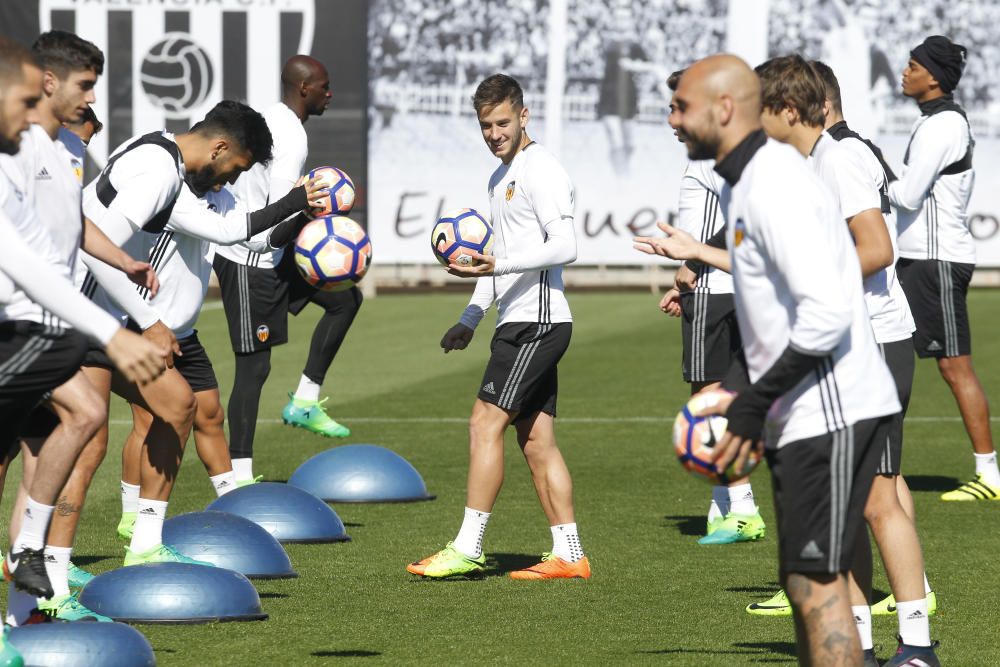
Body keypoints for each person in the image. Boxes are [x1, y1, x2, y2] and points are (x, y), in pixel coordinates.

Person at [638, 54, 900, 666]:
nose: (673, 120)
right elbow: (774, 302)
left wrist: (752, 403)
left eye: (682, 107)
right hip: (808, 409)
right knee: (808, 580)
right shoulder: (749, 180)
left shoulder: (773, 183)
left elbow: (828, 311)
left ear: (724, 109)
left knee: (816, 585)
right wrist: (734, 389)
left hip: (831, 409)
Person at [747, 54, 936, 666]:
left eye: (761, 111)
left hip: (878, 343)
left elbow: (877, 249)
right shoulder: (813, 163)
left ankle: (917, 646)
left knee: (878, 496)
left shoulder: (841, 156)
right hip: (848, 344)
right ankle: (861, 644)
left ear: (790, 110)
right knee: (848, 507)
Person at [68, 100, 271, 577]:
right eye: (236, 168)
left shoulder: (162, 155)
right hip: (81, 313)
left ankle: (143, 542)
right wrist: (150, 321)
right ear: (220, 147)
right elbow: (98, 248)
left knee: (177, 406)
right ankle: (45, 564)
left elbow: (228, 230)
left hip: (105, 317)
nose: (232, 180)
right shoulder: (160, 169)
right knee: (75, 440)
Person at [0, 33, 165, 615]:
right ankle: (26, 561)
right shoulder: (15, 152)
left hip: (40, 325)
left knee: (66, 431)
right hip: (15, 326)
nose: (93, 99)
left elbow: (71, 225)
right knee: (80, 417)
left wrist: (122, 261)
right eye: (86, 85)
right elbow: (21, 261)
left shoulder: (61, 148)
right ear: (46, 83)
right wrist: (113, 331)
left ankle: (25, 581)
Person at [407, 73, 589, 580]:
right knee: (536, 442)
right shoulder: (498, 178)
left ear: (524, 116)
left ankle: (468, 546)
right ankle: (570, 555)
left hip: (538, 321)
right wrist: (469, 318)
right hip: (517, 320)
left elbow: (565, 246)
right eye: (486, 125)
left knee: (483, 423)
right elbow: (498, 260)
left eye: (503, 122)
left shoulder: (542, 169)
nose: (494, 133)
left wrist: (498, 268)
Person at [115, 173, 324, 538]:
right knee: (148, 421)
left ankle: (232, 506)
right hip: (146, 327)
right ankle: (132, 516)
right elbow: (229, 233)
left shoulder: (224, 198)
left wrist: (303, 217)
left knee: (210, 413)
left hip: (184, 333)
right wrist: (294, 199)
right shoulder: (172, 193)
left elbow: (257, 242)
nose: (236, 174)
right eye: (236, 164)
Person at [214, 55, 363, 487]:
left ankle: (305, 400)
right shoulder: (290, 135)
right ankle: (238, 476)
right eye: (324, 86)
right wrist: (317, 215)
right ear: (304, 89)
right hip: (247, 257)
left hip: (273, 253)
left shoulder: (275, 120)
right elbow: (281, 213)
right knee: (254, 368)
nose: (329, 93)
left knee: (344, 298)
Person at [889, 36, 999, 502]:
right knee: (886, 354)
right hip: (920, 259)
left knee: (955, 367)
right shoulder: (936, 121)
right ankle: (875, 462)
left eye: (912, 65)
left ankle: (989, 474)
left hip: (936, 260)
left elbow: (909, 196)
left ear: (932, 76)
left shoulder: (944, 125)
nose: (904, 71)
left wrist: (872, 174)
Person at [661, 69, 764, 546]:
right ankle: (723, 507)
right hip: (722, 286)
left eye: (680, 106)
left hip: (713, 290)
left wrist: (692, 271)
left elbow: (718, 226)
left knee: (709, 402)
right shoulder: (719, 158)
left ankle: (742, 508)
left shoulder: (707, 162)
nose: (672, 118)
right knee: (719, 397)